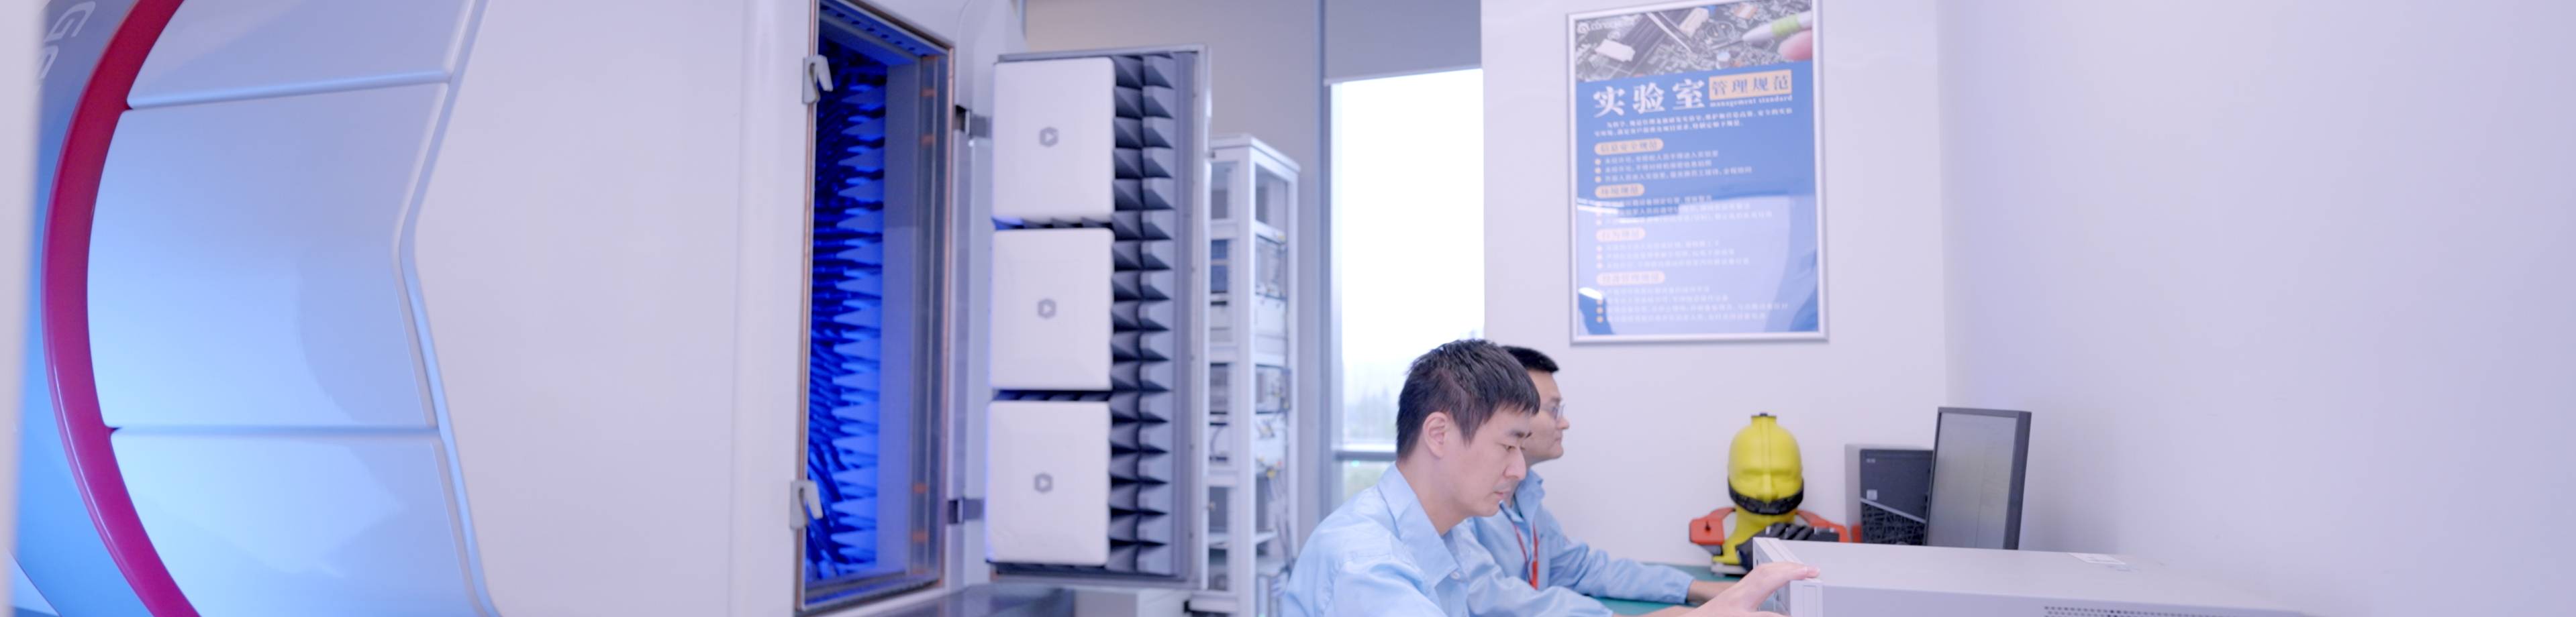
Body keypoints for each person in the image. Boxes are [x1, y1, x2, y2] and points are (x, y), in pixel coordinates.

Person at [1281, 340, 1816, 617]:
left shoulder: (1446, 535)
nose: (1518, 469)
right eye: (1507, 446)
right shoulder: (1367, 566)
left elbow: (1575, 567)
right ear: (1439, 434)